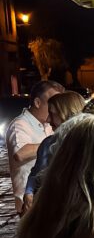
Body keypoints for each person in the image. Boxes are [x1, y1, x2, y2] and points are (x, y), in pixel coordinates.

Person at [5, 80, 64, 213]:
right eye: (52, 102)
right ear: (37, 103)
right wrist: (55, 143)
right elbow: (20, 153)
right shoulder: (20, 125)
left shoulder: (48, 124)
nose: (55, 107)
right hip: (30, 202)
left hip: (47, 198)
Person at [22, 91, 86, 207]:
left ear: (67, 113)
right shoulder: (48, 143)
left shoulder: (90, 142)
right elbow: (36, 174)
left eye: (52, 114)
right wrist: (29, 193)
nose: (47, 120)